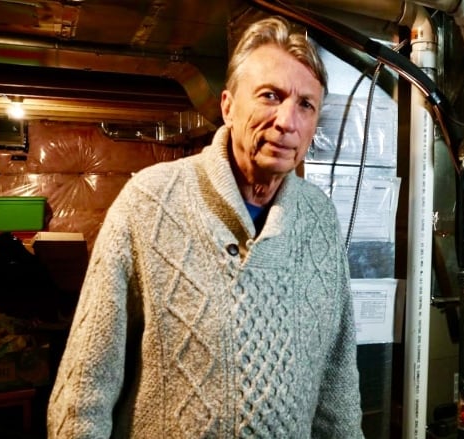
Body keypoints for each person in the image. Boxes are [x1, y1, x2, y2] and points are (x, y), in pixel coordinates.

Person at [47, 15, 364, 438]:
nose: (288, 121)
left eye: (305, 104)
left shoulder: (319, 219)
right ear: (228, 107)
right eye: (271, 96)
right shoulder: (150, 202)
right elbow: (85, 387)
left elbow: (337, 385)